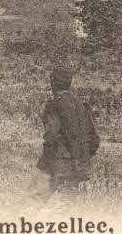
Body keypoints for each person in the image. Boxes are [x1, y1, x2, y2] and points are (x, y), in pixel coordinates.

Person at [37, 68, 99, 196]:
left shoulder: (54, 105)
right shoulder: (81, 106)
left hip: (57, 162)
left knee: (33, 200)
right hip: (78, 164)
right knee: (67, 206)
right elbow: (94, 139)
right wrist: (82, 157)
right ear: (69, 83)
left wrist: (46, 162)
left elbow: (51, 135)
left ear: (52, 84)